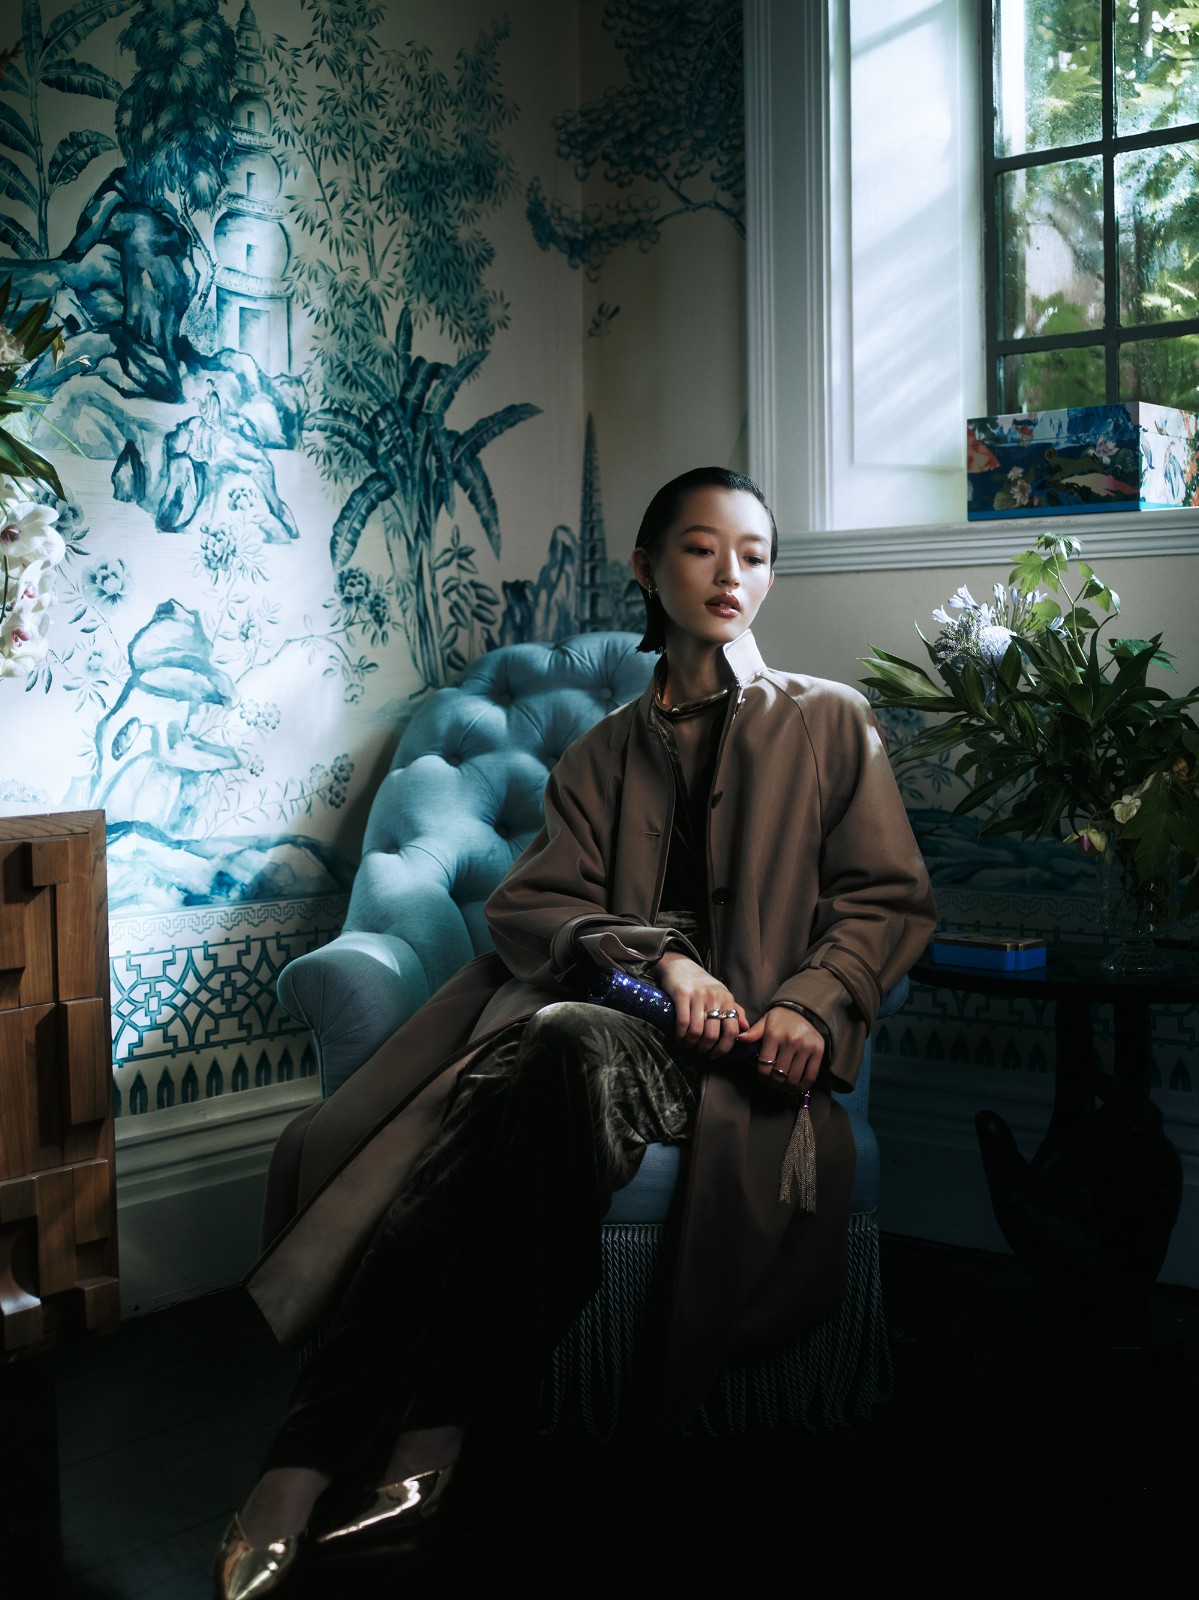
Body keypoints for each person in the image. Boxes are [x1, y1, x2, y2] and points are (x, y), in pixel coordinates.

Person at [215, 466, 936, 1598]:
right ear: (646, 566)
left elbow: (884, 900)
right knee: (554, 1050)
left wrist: (810, 1000)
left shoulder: (829, 720)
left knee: (521, 1075)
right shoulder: (600, 751)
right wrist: (663, 958)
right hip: (612, 1029)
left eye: (754, 555)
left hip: (740, 1055)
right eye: (700, 548)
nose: (731, 575)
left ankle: (309, 1458)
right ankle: (409, 1442)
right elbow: (532, 905)